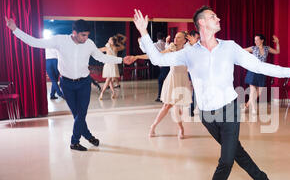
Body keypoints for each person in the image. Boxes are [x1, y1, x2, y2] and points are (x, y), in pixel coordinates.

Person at [127, 6, 290, 180]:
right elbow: (158, 60)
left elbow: (258, 66)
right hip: (207, 115)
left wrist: (289, 71)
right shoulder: (189, 53)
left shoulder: (230, 47)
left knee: (227, 158)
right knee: (237, 152)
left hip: (230, 110)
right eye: (213, 17)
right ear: (201, 23)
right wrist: (144, 33)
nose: (218, 18)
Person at [5, 18, 129, 151]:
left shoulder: (89, 44)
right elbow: (35, 42)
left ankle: (74, 142)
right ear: (74, 33)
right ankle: (88, 135)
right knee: (77, 115)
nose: (86, 38)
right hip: (67, 84)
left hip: (84, 83)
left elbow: (102, 57)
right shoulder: (60, 40)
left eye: (87, 35)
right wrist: (15, 30)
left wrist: (121, 59)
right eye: (83, 35)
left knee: (81, 114)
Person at [129, 32, 192, 139]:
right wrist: (137, 57)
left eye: (179, 37)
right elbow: (156, 56)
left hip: (183, 79)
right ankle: (154, 126)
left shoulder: (188, 50)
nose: (175, 39)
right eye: (175, 37)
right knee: (168, 106)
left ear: (185, 40)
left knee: (176, 107)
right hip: (173, 79)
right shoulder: (171, 48)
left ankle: (180, 128)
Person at [243, 34, 280, 114]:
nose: (255, 41)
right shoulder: (253, 48)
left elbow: (277, 52)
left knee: (259, 92)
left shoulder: (267, 48)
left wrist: (277, 43)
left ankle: (247, 105)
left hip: (263, 71)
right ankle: (253, 109)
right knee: (252, 91)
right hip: (253, 70)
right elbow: (242, 50)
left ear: (262, 40)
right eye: (255, 40)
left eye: (257, 40)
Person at [98, 34, 126, 100]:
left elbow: (98, 50)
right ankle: (113, 93)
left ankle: (102, 93)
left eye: (109, 39)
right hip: (111, 65)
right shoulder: (114, 48)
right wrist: (118, 43)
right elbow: (123, 47)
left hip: (110, 65)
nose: (108, 40)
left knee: (108, 79)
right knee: (109, 80)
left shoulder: (108, 48)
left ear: (111, 41)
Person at [186, 30, 200, 117]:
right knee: (196, 91)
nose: (198, 40)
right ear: (191, 37)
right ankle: (191, 108)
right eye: (197, 38)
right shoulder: (187, 47)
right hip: (192, 72)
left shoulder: (199, 46)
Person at [154, 32, 170, 102]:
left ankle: (161, 96)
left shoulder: (155, 44)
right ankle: (162, 96)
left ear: (157, 38)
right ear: (163, 38)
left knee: (161, 80)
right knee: (164, 80)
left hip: (164, 65)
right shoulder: (167, 44)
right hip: (168, 64)